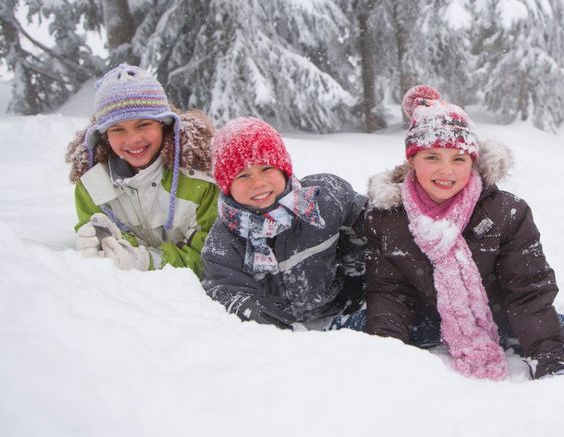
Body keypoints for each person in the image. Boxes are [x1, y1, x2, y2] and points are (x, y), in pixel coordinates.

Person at [354, 85, 564, 381]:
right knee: (354, 331)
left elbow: (528, 294)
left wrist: (547, 360)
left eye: (458, 159)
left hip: (499, 319)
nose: (446, 171)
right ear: (412, 160)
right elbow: (390, 293)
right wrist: (386, 357)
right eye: (432, 157)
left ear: (473, 162)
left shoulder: (506, 214)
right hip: (423, 319)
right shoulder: (387, 217)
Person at [200, 117, 367, 329]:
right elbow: (227, 290)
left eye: (266, 169)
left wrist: (358, 283)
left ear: (284, 169)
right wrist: (260, 319)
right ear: (226, 186)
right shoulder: (223, 241)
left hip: (342, 310)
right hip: (283, 334)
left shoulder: (323, 198)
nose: (258, 183)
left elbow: (369, 227)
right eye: (243, 176)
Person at [66, 64, 219, 277]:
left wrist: (148, 260)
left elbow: (215, 257)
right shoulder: (93, 187)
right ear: (104, 135)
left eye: (144, 124)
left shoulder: (201, 179)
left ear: (164, 125)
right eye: (118, 129)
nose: (133, 140)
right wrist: (99, 244)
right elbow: (105, 249)